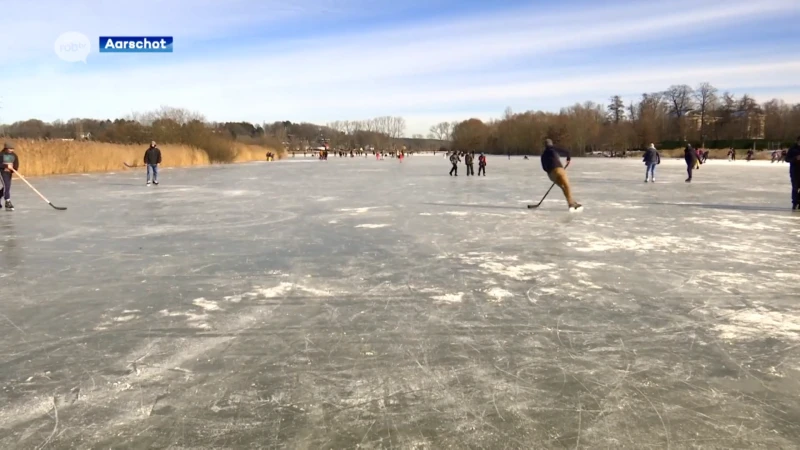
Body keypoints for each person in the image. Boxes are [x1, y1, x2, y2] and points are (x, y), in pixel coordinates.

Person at [538, 139, 581, 210]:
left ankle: (571, 202)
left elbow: (544, 168)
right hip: (559, 170)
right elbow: (567, 152)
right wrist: (568, 159)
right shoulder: (553, 149)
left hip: (551, 174)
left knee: (563, 187)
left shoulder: (543, 155)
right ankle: (571, 203)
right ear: (551, 144)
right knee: (567, 185)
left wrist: (550, 170)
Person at [0, 142, 19, 211]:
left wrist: (14, 170)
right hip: (2, 172)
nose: (12, 150)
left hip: (9, 173)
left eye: (12, 149)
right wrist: (6, 166)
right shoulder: (1, 155)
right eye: (10, 149)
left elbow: (16, 163)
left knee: (7, 186)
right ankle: (7, 201)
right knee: (6, 185)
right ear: (6, 148)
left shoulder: (14, 155)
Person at [785, 136, 800, 210]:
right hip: (795, 171)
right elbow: (787, 159)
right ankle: (794, 202)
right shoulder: (792, 149)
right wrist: (795, 159)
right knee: (795, 187)